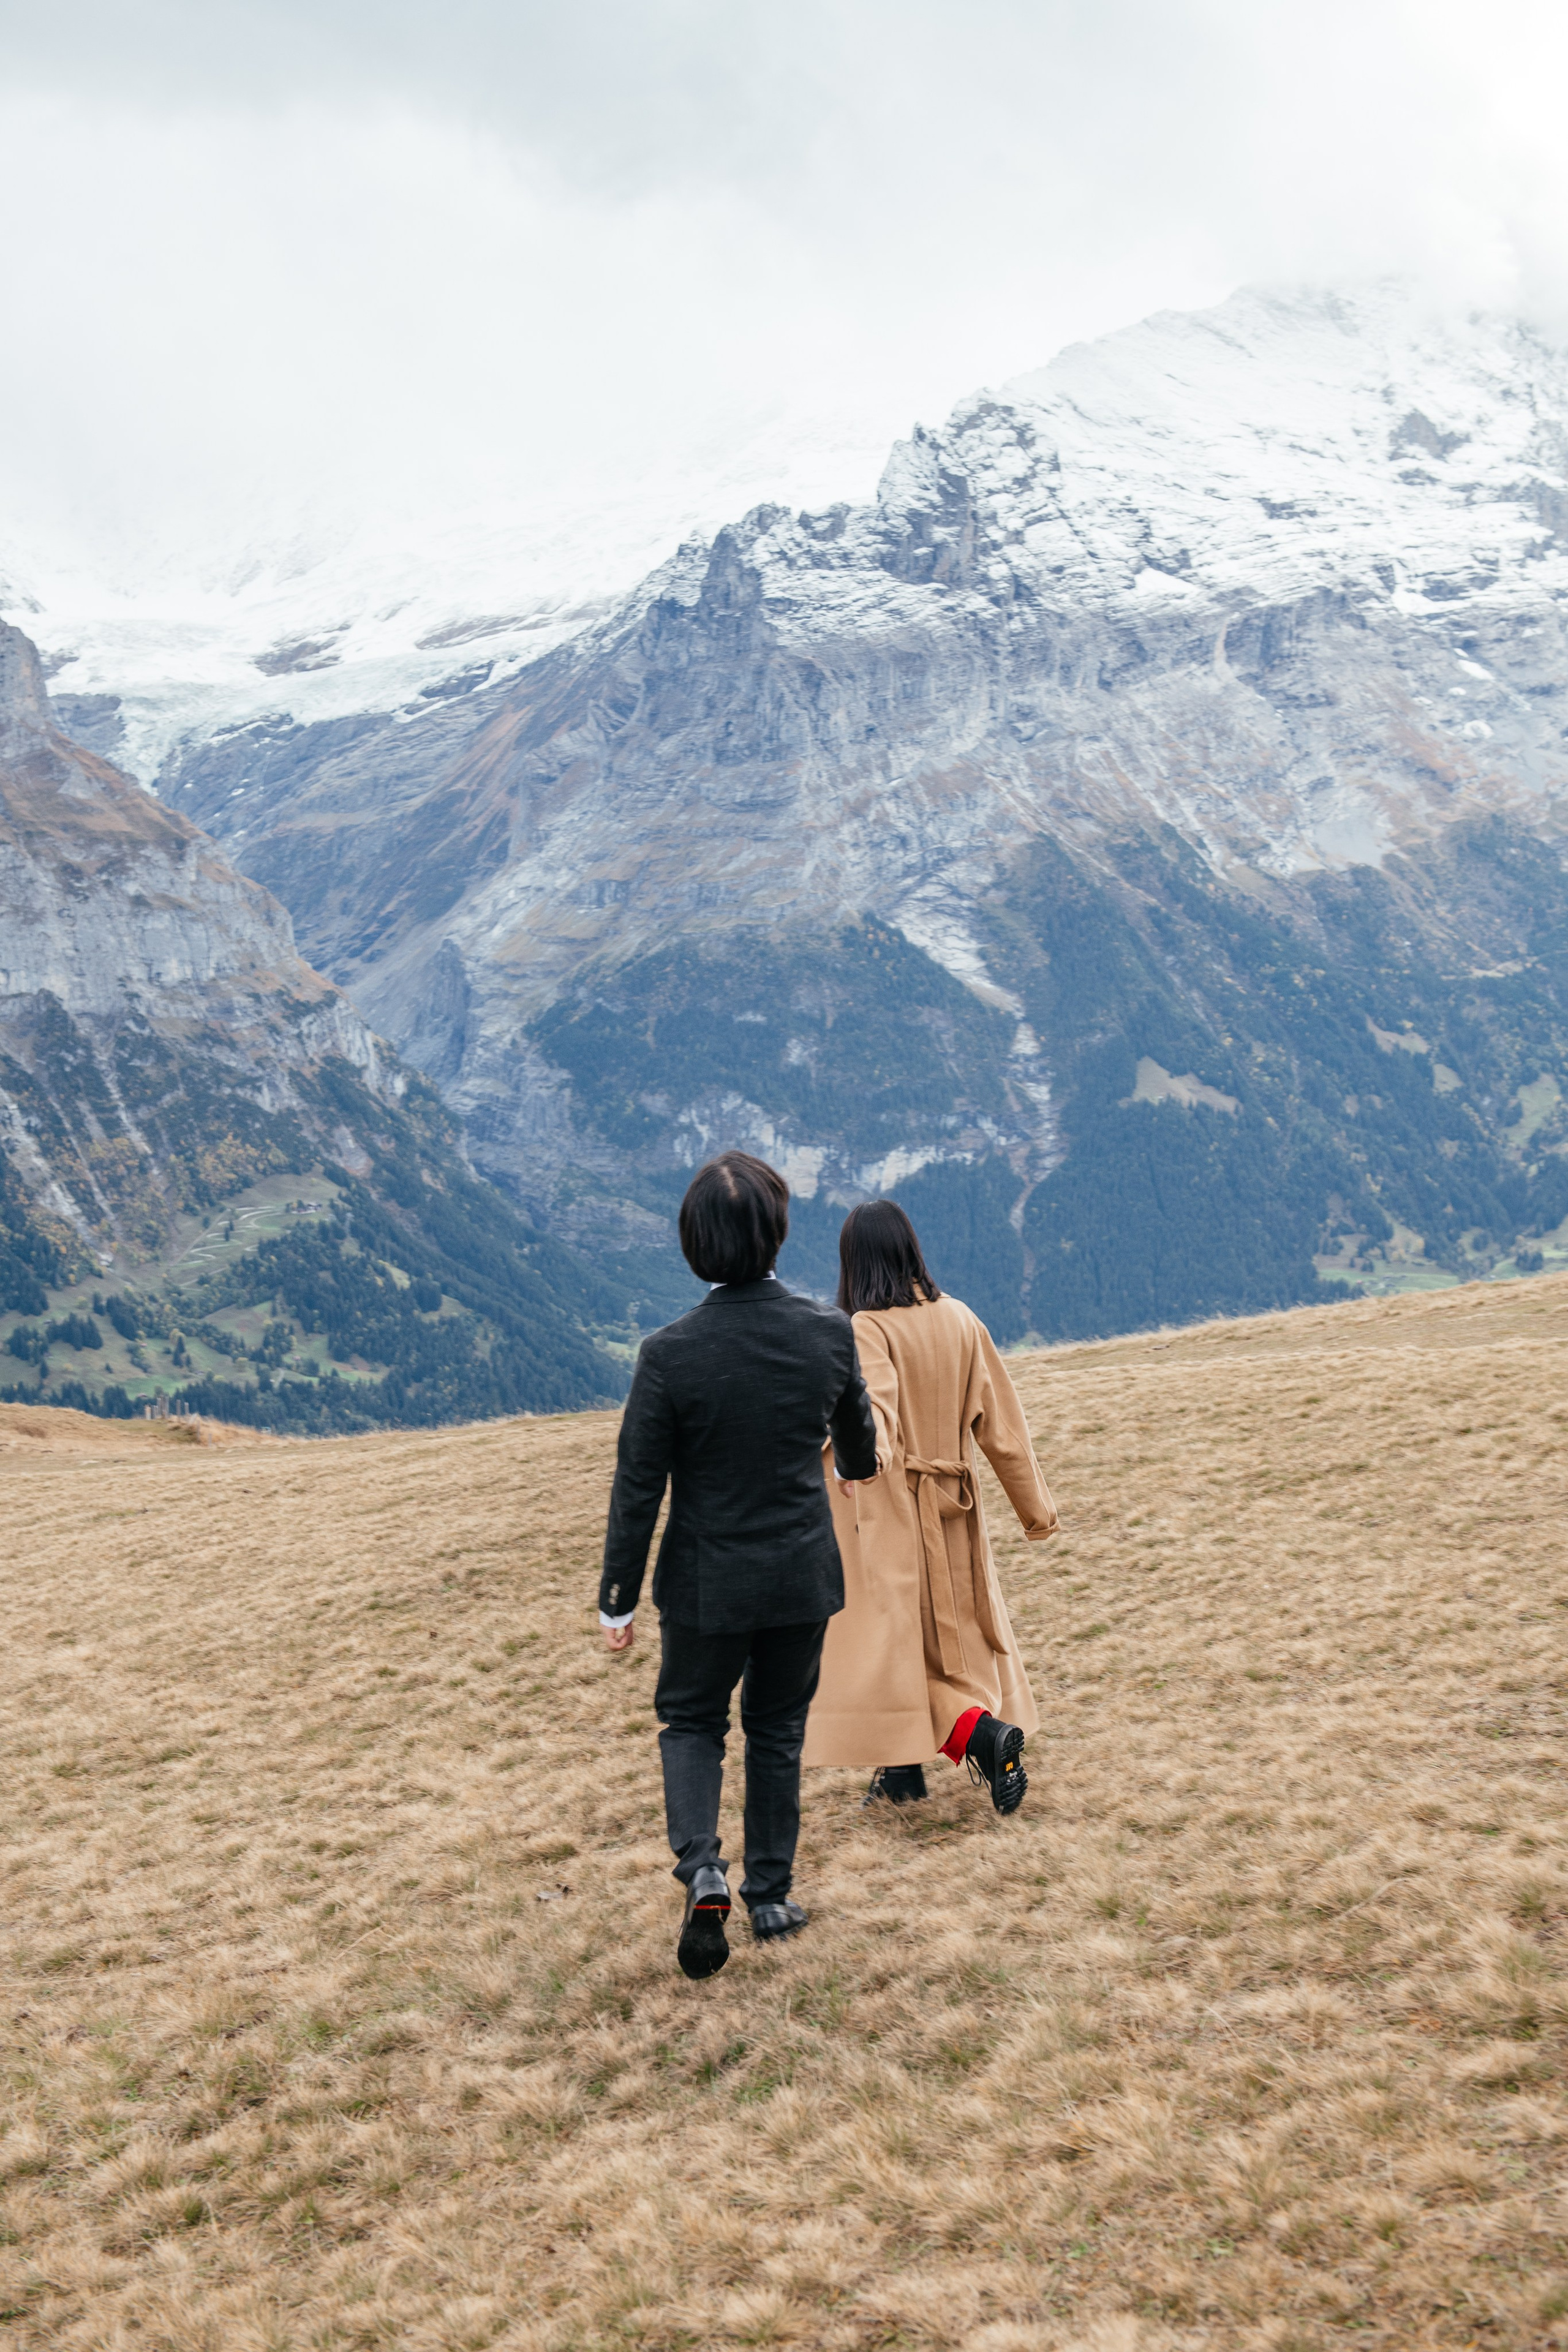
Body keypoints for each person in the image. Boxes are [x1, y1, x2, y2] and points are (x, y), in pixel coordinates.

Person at [598, 1150, 880, 1980]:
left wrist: (617, 1601)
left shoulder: (668, 1354)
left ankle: (701, 1870)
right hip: (801, 1572)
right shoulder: (828, 1332)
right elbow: (859, 1453)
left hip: (703, 1580)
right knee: (778, 1727)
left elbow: (638, 1486)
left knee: (691, 1721)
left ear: (695, 1244)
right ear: (777, 1231)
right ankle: (772, 1893)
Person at [803, 1198, 1058, 1811]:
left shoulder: (866, 1327)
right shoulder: (962, 1319)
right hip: (956, 1509)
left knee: (888, 1648)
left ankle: (984, 1737)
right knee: (934, 1644)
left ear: (852, 1263)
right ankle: (901, 1773)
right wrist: (1035, 1512)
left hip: (893, 1514)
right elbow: (1003, 1428)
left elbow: (876, 1415)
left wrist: (851, 1464)